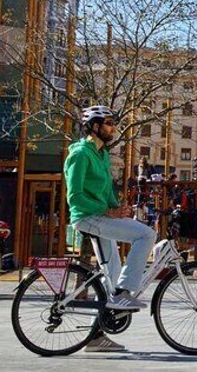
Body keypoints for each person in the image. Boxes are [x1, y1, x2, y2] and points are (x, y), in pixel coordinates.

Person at [65, 105, 157, 352]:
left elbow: (105, 192)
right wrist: (109, 212)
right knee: (146, 234)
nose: (113, 127)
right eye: (108, 123)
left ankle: (95, 337)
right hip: (86, 217)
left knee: (112, 273)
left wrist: (119, 208)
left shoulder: (102, 154)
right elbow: (74, 197)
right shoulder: (80, 154)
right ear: (94, 126)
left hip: (100, 215)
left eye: (113, 123)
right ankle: (126, 291)